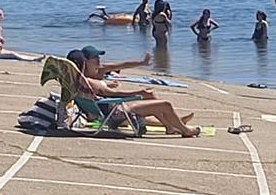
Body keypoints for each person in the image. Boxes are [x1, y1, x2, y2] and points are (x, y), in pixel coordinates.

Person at [67, 50, 199, 137]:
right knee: (166, 104)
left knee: (152, 103)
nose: (98, 59)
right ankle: (185, 131)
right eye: (95, 57)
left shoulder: (73, 82)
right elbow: (115, 94)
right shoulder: (92, 82)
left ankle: (171, 126)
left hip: (107, 111)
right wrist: (138, 93)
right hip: (116, 114)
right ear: (84, 63)